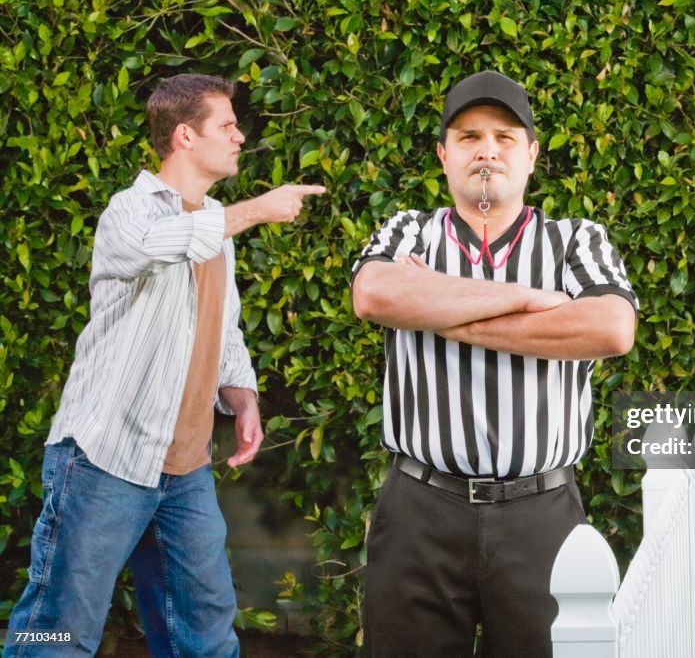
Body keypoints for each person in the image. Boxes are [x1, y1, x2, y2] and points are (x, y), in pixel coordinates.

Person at [3, 73, 325, 658]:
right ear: (184, 135)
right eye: (226, 125)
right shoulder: (128, 212)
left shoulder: (218, 226)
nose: (239, 137)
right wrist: (256, 210)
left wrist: (243, 395)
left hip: (185, 469)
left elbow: (222, 329)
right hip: (105, 459)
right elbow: (161, 244)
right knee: (58, 629)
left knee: (203, 636)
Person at [352, 70, 638, 657]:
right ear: (443, 155)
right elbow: (376, 296)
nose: (487, 150)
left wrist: (437, 304)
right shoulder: (408, 231)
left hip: (541, 514)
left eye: (505, 137)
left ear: (532, 155)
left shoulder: (576, 240)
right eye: (468, 137)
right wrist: (530, 300)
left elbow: (610, 327)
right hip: (419, 510)